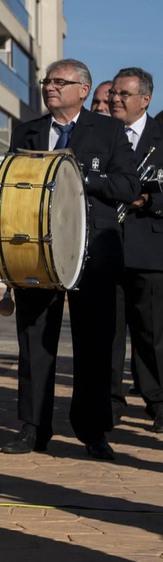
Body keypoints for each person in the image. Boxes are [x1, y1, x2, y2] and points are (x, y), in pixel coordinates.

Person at [2, 59, 139, 460]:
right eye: (47, 81)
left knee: (94, 346)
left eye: (60, 82)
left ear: (84, 89)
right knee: (34, 343)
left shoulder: (110, 131)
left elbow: (128, 185)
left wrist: (80, 176)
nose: (50, 87)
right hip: (35, 252)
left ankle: (92, 430)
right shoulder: (26, 131)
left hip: (94, 252)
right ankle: (32, 428)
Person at [108, 68, 163, 434]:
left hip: (149, 248)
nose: (115, 99)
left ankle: (158, 402)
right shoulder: (99, 134)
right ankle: (108, 406)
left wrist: (150, 199)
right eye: (113, 93)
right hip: (105, 247)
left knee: (152, 333)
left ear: (145, 99)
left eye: (124, 94)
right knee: (107, 334)